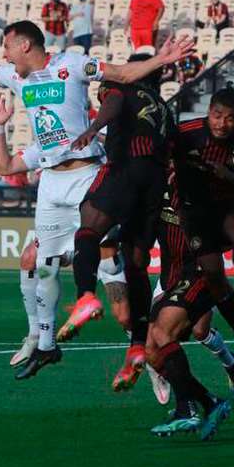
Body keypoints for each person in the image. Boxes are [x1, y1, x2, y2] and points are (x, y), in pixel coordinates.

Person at [0, 0, 196, 378]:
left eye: (7, 46)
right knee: (43, 263)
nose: (4, 55)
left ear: (25, 44)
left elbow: (121, 74)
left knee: (118, 295)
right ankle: (45, 344)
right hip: (51, 183)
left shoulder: (71, 64)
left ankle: (145, 346)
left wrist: (161, 60)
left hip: (88, 174)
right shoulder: (17, 78)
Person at [54, 53, 178, 378]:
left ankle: (85, 297)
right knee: (136, 265)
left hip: (126, 169)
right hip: (155, 184)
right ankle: (138, 345)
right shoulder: (165, 110)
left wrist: (94, 127)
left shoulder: (122, 87)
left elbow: (113, 104)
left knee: (89, 227)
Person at [165, 88, 234, 366]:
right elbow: (159, 157)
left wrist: (226, 174)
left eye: (230, 118)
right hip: (192, 210)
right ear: (209, 111)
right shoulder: (185, 131)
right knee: (214, 276)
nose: (222, 124)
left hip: (225, 201)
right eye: (217, 115)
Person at [144, 178, 234, 417]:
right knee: (151, 351)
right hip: (167, 280)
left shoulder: (202, 194)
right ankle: (205, 401)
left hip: (197, 276)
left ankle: (229, 364)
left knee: (200, 332)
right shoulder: (154, 190)